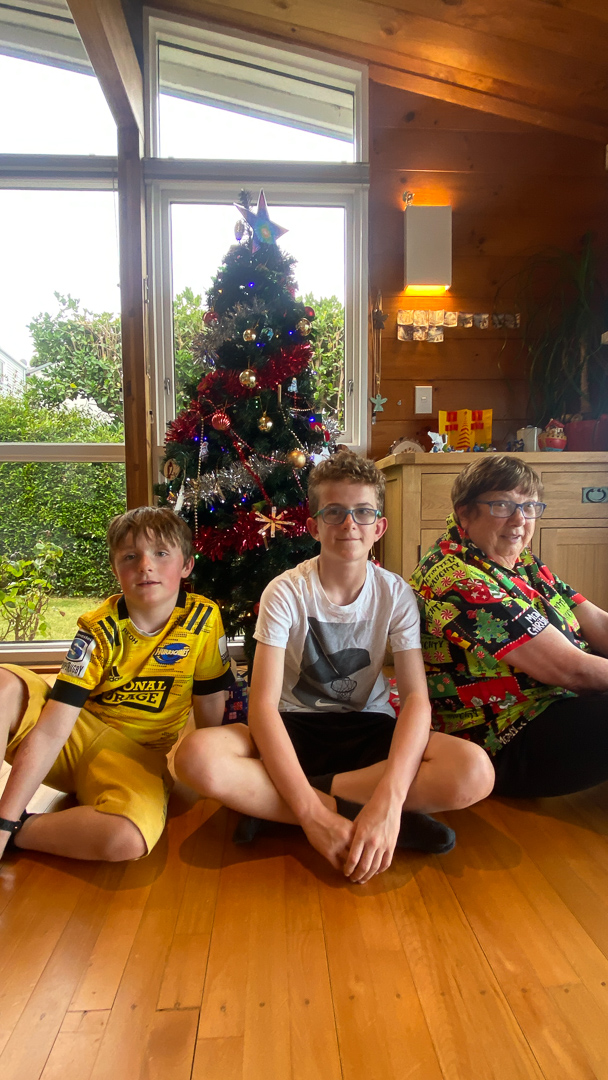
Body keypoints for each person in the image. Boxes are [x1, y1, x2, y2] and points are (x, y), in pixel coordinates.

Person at [175, 451, 494, 885]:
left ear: (379, 527)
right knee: (195, 757)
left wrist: (389, 798)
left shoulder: (396, 595)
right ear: (313, 526)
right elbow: (263, 707)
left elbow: (416, 699)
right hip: (293, 728)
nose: (349, 524)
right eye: (335, 512)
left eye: (363, 512)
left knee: (475, 771)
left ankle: (282, 803)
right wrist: (312, 816)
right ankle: (331, 814)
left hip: (369, 729)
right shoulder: (285, 592)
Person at [0, 507, 234, 863]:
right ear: (115, 569)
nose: (145, 565)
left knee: (127, 838)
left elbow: (210, 698)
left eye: (161, 553)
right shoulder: (98, 628)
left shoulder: (203, 618)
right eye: (130, 556)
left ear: (187, 565)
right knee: (3, 683)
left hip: (134, 758)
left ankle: (22, 832)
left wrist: (211, 769)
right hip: (72, 738)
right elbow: (52, 729)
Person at [410, 453, 608, 797]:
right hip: (502, 736)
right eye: (502, 505)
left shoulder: (519, 559)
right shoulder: (458, 578)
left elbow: (595, 620)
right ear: (464, 512)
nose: (520, 519)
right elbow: (572, 670)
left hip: (552, 702)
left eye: (529, 506)